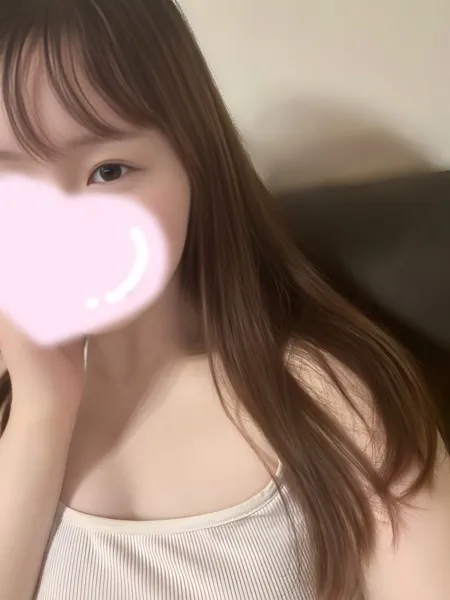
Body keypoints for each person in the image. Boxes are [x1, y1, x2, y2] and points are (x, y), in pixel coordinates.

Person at [0, 1, 448, 599]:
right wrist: (40, 411)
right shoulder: (17, 406)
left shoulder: (329, 403)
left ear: (195, 166)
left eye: (109, 171)